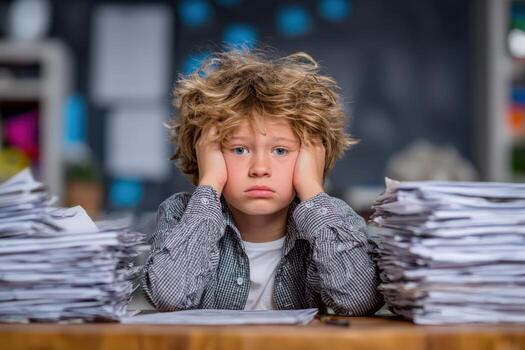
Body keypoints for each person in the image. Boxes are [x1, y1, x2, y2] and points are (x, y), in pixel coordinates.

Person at [141, 49, 384, 315]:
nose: (259, 169)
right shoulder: (180, 214)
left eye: (280, 151)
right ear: (206, 155)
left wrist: (313, 189)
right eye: (239, 150)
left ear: (312, 157)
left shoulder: (335, 220)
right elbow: (168, 296)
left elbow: (359, 300)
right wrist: (209, 181)